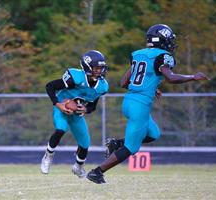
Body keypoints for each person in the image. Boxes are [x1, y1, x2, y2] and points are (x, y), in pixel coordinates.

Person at [86, 24, 209, 184]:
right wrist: (193, 76)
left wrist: (151, 88)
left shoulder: (138, 54)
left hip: (129, 101)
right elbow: (171, 78)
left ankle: (116, 143)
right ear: (164, 41)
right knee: (131, 148)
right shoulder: (163, 56)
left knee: (153, 134)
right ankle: (97, 172)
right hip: (140, 105)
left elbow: (124, 82)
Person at [40, 50, 109, 178]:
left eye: (101, 68)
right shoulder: (76, 77)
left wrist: (85, 110)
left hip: (76, 114)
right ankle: (48, 156)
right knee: (61, 128)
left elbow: (92, 106)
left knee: (85, 143)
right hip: (62, 107)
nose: (100, 71)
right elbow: (50, 86)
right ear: (88, 67)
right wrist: (57, 104)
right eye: (97, 68)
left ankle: (78, 167)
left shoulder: (102, 86)